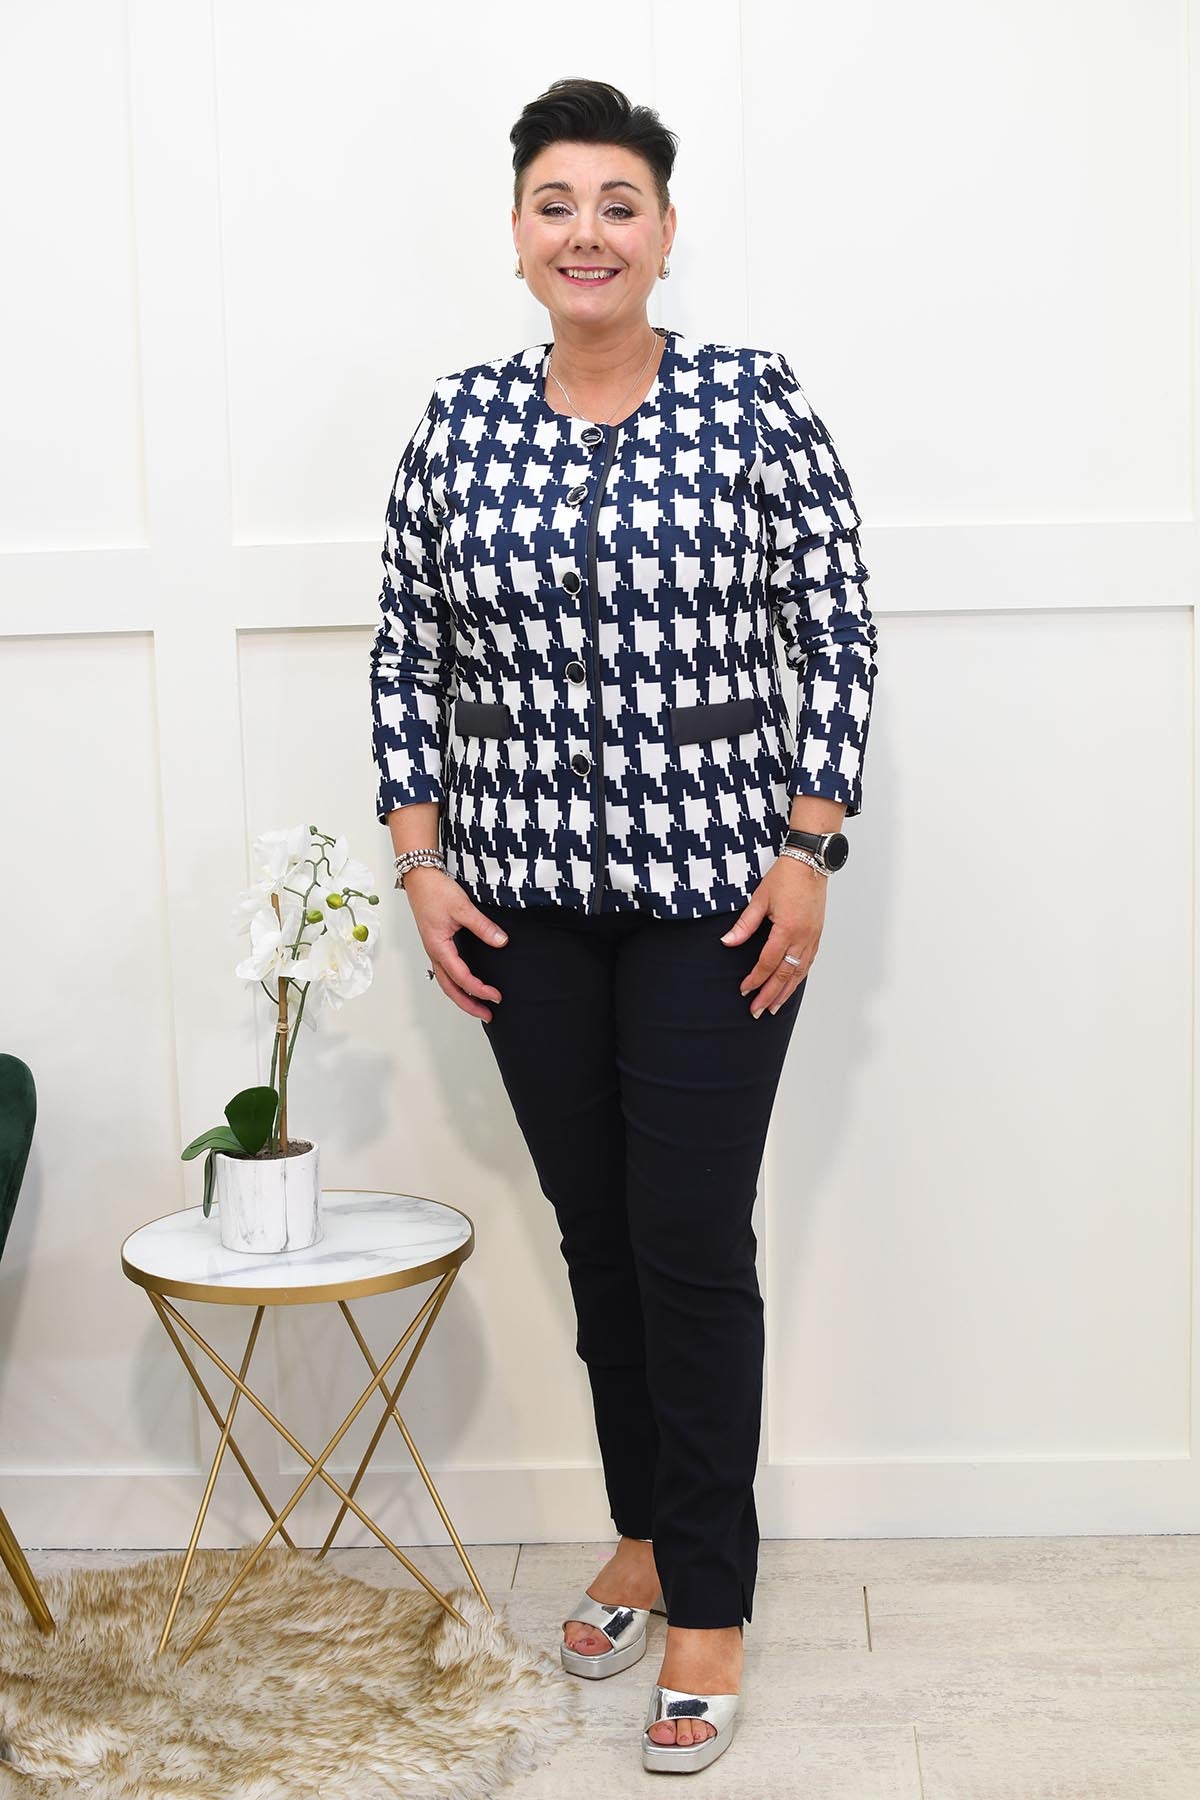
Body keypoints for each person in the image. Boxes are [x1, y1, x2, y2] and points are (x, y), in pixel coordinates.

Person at [369, 76, 879, 1776]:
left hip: (715, 903)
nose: (585, 232)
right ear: (516, 235)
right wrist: (423, 861)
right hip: (522, 907)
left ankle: (711, 1602)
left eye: (617, 203)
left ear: (665, 232)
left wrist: (810, 846)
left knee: (689, 1238)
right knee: (599, 1239)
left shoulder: (751, 403)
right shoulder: (458, 425)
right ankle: (647, 1533)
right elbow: (408, 653)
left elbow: (835, 629)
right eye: (556, 203)